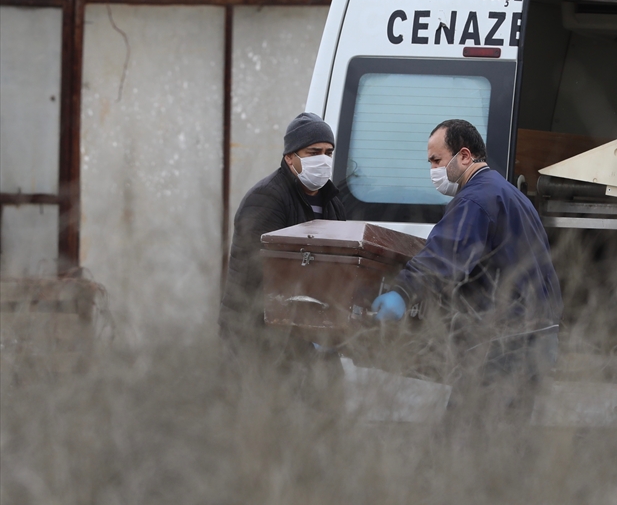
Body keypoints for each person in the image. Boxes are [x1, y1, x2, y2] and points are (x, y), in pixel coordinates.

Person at [372, 119, 562, 402]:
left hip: (501, 348)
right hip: (537, 340)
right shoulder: (511, 195)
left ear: (464, 156)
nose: (433, 170)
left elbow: (444, 257)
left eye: (437, 160)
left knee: (465, 438)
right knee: (507, 441)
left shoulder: (475, 200)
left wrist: (402, 292)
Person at [219, 111, 346, 352]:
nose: (323, 160)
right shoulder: (267, 198)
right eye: (313, 153)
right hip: (257, 335)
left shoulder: (333, 203)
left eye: (328, 153)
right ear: (290, 157)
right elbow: (254, 273)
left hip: (309, 335)